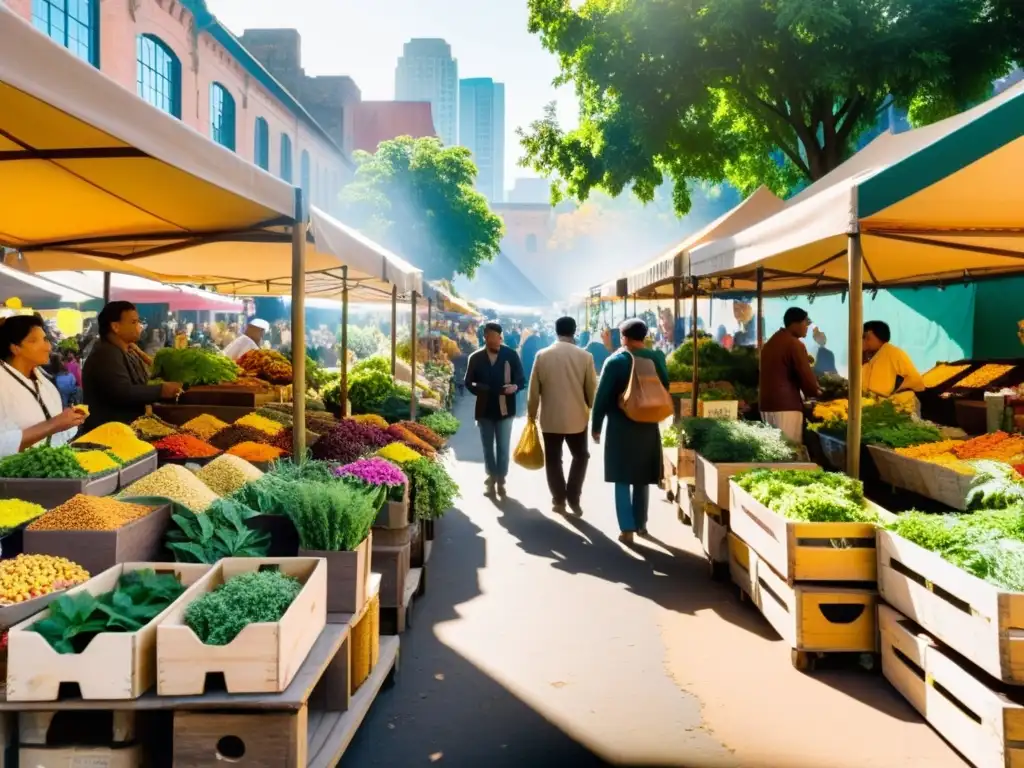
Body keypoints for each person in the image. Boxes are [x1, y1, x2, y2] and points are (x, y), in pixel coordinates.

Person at [591, 319, 670, 544]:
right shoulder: (657, 358)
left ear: (623, 337)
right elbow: (666, 385)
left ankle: (626, 529)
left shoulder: (616, 361)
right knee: (642, 477)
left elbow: (602, 397)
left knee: (622, 476)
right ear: (643, 336)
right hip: (648, 424)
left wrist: (596, 426)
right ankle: (641, 524)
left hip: (620, 426)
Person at [527, 316, 597, 516]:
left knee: (553, 458)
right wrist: (594, 412)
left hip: (550, 418)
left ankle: (559, 499)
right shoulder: (585, 356)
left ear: (556, 331)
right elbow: (592, 390)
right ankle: (573, 496)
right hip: (577, 418)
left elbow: (534, 391)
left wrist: (532, 414)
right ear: (574, 331)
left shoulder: (542, 355)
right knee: (581, 456)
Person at [82, 302, 182, 430]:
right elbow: (121, 391)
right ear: (116, 327)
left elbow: (140, 383)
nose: (139, 327)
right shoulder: (106, 353)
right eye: (134, 322)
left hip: (126, 428)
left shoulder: (126, 351)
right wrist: (161, 390)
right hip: (109, 432)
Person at [0, 315, 86, 458]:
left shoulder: (44, 382)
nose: (48, 347)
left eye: (46, 340)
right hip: (13, 476)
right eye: (36, 341)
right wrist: (54, 423)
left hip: (49, 469)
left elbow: (54, 427)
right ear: (15, 348)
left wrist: (69, 420)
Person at [465, 322, 526, 497]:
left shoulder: (511, 355)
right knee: (487, 446)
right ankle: (491, 476)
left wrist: (514, 387)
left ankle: (501, 478)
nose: (493, 340)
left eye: (496, 337)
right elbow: (469, 382)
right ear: (485, 337)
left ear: (501, 337)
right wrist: (481, 389)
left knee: (503, 446)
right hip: (484, 408)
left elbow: (521, 380)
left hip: (506, 407)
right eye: (489, 337)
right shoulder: (475, 358)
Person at [759, 307, 820, 443]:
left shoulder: (771, 343)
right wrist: (816, 392)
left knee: (774, 451)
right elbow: (806, 376)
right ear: (795, 323)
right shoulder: (794, 344)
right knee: (790, 453)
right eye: (806, 323)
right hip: (786, 407)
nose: (807, 327)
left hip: (767, 406)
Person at [862, 320, 925, 397]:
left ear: (880, 337)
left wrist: (894, 397)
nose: (862, 341)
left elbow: (916, 381)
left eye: (866, 337)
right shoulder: (865, 357)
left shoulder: (893, 352)